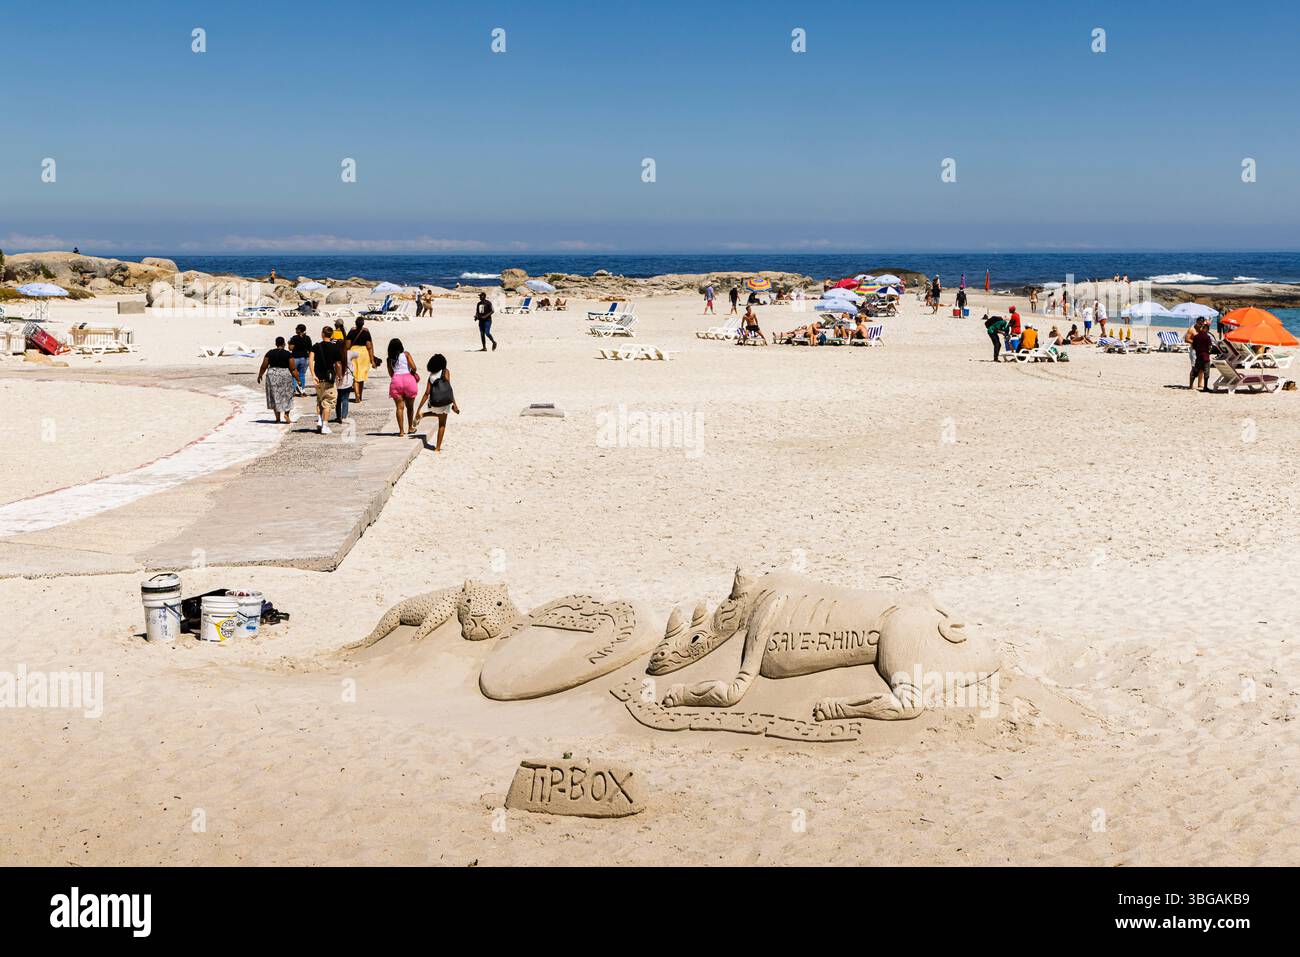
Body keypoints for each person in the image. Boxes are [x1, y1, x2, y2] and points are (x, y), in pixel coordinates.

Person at [416, 353, 461, 452]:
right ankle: (437, 448)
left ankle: (423, 414)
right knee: (442, 424)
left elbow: (427, 393)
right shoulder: (445, 371)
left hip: (435, 402)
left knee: (438, 414)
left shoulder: (431, 376)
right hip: (445, 401)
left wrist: (419, 408)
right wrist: (455, 404)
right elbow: (449, 388)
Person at [309, 324, 344, 434]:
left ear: (322, 334)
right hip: (329, 379)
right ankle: (325, 425)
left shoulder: (316, 346)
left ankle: (319, 420)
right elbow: (338, 364)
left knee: (320, 400)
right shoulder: (335, 348)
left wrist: (313, 374)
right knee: (328, 402)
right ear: (332, 335)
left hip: (318, 378)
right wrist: (339, 375)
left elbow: (310, 360)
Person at [257, 336, 296, 424]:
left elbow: (264, 366)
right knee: (288, 395)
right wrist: (298, 379)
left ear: (275, 344)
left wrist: (260, 375)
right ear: (284, 344)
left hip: (272, 374)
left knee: (275, 396)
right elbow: (293, 368)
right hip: (284, 374)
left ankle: (277, 419)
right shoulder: (288, 354)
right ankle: (286, 414)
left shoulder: (269, 353)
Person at [387, 338, 420, 435]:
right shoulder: (406, 354)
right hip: (408, 380)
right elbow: (414, 368)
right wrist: (411, 373)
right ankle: (410, 428)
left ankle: (401, 431)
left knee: (399, 408)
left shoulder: (389, 359)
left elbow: (391, 374)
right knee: (410, 407)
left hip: (396, 381)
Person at [348, 317, 376, 401]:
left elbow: (347, 345)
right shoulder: (366, 332)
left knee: (355, 375)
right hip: (364, 354)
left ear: (355, 323)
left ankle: (357, 394)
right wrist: (372, 360)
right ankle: (360, 396)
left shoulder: (351, 332)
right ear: (363, 324)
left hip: (353, 353)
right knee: (361, 375)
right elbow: (369, 347)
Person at [1189, 320, 1213, 391]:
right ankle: (1205, 387)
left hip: (1198, 356)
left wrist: (1198, 350)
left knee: (1195, 371)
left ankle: (1191, 386)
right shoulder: (1207, 337)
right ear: (1207, 330)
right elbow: (1210, 347)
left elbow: (1193, 346)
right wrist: (1209, 352)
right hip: (1205, 357)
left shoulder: (1196, 337)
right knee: (1206, 372)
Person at [288, 324, 312, 394]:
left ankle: (294, 390)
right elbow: (310, 349)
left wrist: (289, 343)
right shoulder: (308, 338)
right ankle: (302, 389)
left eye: (296, 329)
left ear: (299, 330)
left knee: (294, 374)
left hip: (296, 357)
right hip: (305, 358)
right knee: (302, 374)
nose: (295, 330)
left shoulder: (294, 338)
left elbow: (290, 348)